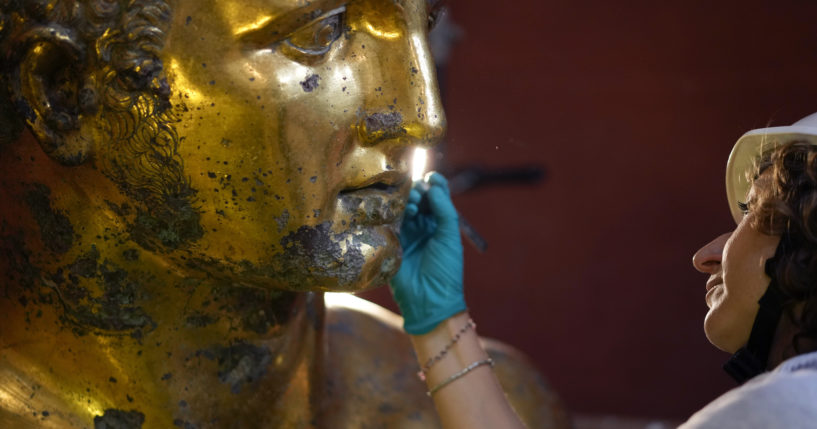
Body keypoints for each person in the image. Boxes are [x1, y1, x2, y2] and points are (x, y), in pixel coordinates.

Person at [0, 1, 567, 427]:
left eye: (427, 23)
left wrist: (443, 329)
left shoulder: (484, 402)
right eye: (319, 35)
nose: (421, 117)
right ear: (65, 94)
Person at [390, 114, 817, 428]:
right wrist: (439, 319)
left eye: (750, 213)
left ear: (805, 250)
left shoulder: (781, 410)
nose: (705, 255)